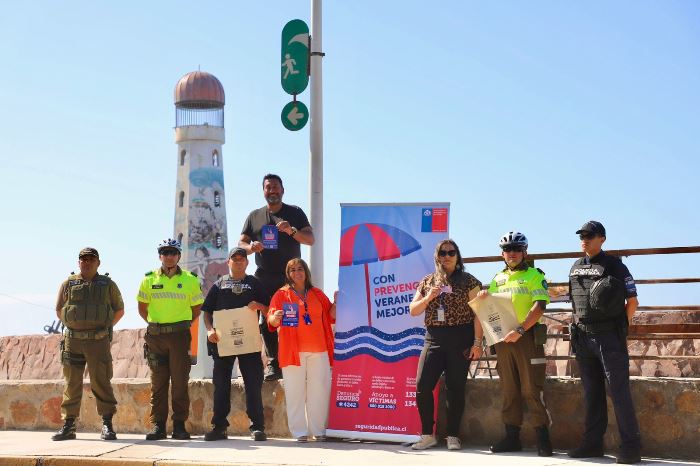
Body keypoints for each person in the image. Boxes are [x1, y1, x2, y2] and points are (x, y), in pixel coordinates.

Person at [567, 221, 641, 464]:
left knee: (619, 392)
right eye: (582, 236)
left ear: (602, 239)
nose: (584, 239)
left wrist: (621, 327)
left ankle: (630, 448)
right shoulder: (576, 267)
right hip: (583, 336)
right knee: (592, 394)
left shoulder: (615, 266)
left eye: (590, 235)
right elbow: (576, 302)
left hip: (608, 337)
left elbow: (632, 301)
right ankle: (592, 445)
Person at [477, 231, 552, 456]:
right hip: (503, 341)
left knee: (531, 389)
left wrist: (520, 330)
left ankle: (543, 438)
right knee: (509, 390)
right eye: (508, 250)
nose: (512, 253)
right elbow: (490, 308)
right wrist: (484, 296)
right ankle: (512, 438)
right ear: (502, 254)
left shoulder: (534, 275)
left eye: (517, 249)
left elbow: (539, 306)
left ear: (524, 252)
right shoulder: (497, 278)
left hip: (526, 337)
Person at [408, 240, 484, 451]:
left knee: (455, 388)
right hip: (434, 338)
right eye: (443, 252)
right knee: (422, 386)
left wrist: (477, 343)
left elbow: (479, 314)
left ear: (457, 256)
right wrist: (429, 296)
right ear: (437, 256)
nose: (447, 256)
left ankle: (453, 435)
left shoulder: (469, 281)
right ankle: (427, 435)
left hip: (461, 338)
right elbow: (413, 310)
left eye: (451, 252)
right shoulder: (427, 281)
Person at [240, 174, 315, 381]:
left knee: (293, 318)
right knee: (266, 320)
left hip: (291, 278)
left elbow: (310, 239)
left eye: (275, 187)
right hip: (264, 277)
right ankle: (274, 363)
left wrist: (292, 231)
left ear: (283, 190)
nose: (272, 191)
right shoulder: (254, 216)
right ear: (263, 191)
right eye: (268, 187)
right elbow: (242, 244)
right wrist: (250, 247)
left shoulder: (295, 212)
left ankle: (297, 360)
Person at [52, 247, 124, 441]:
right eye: (83, 259)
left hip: (97, 342)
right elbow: (59, 309)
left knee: (101, 383)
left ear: (98, 263)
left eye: (91, 259)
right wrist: (73, 325)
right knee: (71, 383)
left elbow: (119, 310)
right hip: (73, 341)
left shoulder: (107, 284)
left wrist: (104, 329)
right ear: (78, 262)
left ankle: (107, 425)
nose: (87, 262)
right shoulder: (69, 283)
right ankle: (69, 426)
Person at [137, 238, 203, 440]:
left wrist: (178, 325)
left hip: (179, 337)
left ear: (179, 256)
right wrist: (157, 324)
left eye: (173, 252)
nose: (169, 256)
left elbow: (196, 308)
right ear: (160, 256)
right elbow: (142, 308)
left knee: (180, 382)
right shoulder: (149, 279)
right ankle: (158, 426)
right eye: (165, 252)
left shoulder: (191, 280)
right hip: (156, 337)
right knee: (158, 383)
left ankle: (179, 426)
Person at [201, 247, 270, 442]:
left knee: (253, 384)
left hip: (248, 342)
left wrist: (260, 307)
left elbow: (269, 309)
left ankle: (257, 427)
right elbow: (207, 311)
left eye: (242, 259)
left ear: (247, 262)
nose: (239, 261)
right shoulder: (218, 285)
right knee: (221, 386)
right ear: (228, 262)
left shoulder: (255, 283)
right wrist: (209, 330)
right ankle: (219, 427)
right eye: (235, 258)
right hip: (223, 343)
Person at [267, 258, 336, 442]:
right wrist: (276, 317)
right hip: (293, 351)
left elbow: (331, 316)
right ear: (288, 274)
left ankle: (319, 430)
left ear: (306, 272)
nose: (297, 273)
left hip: (319, 349)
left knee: (320, 390)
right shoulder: (281, 295)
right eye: (292, 270)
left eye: (300, 269)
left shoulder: (318, 293)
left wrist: (337, 302)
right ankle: (299, 432)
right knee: (295, 391)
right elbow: (271, 321)